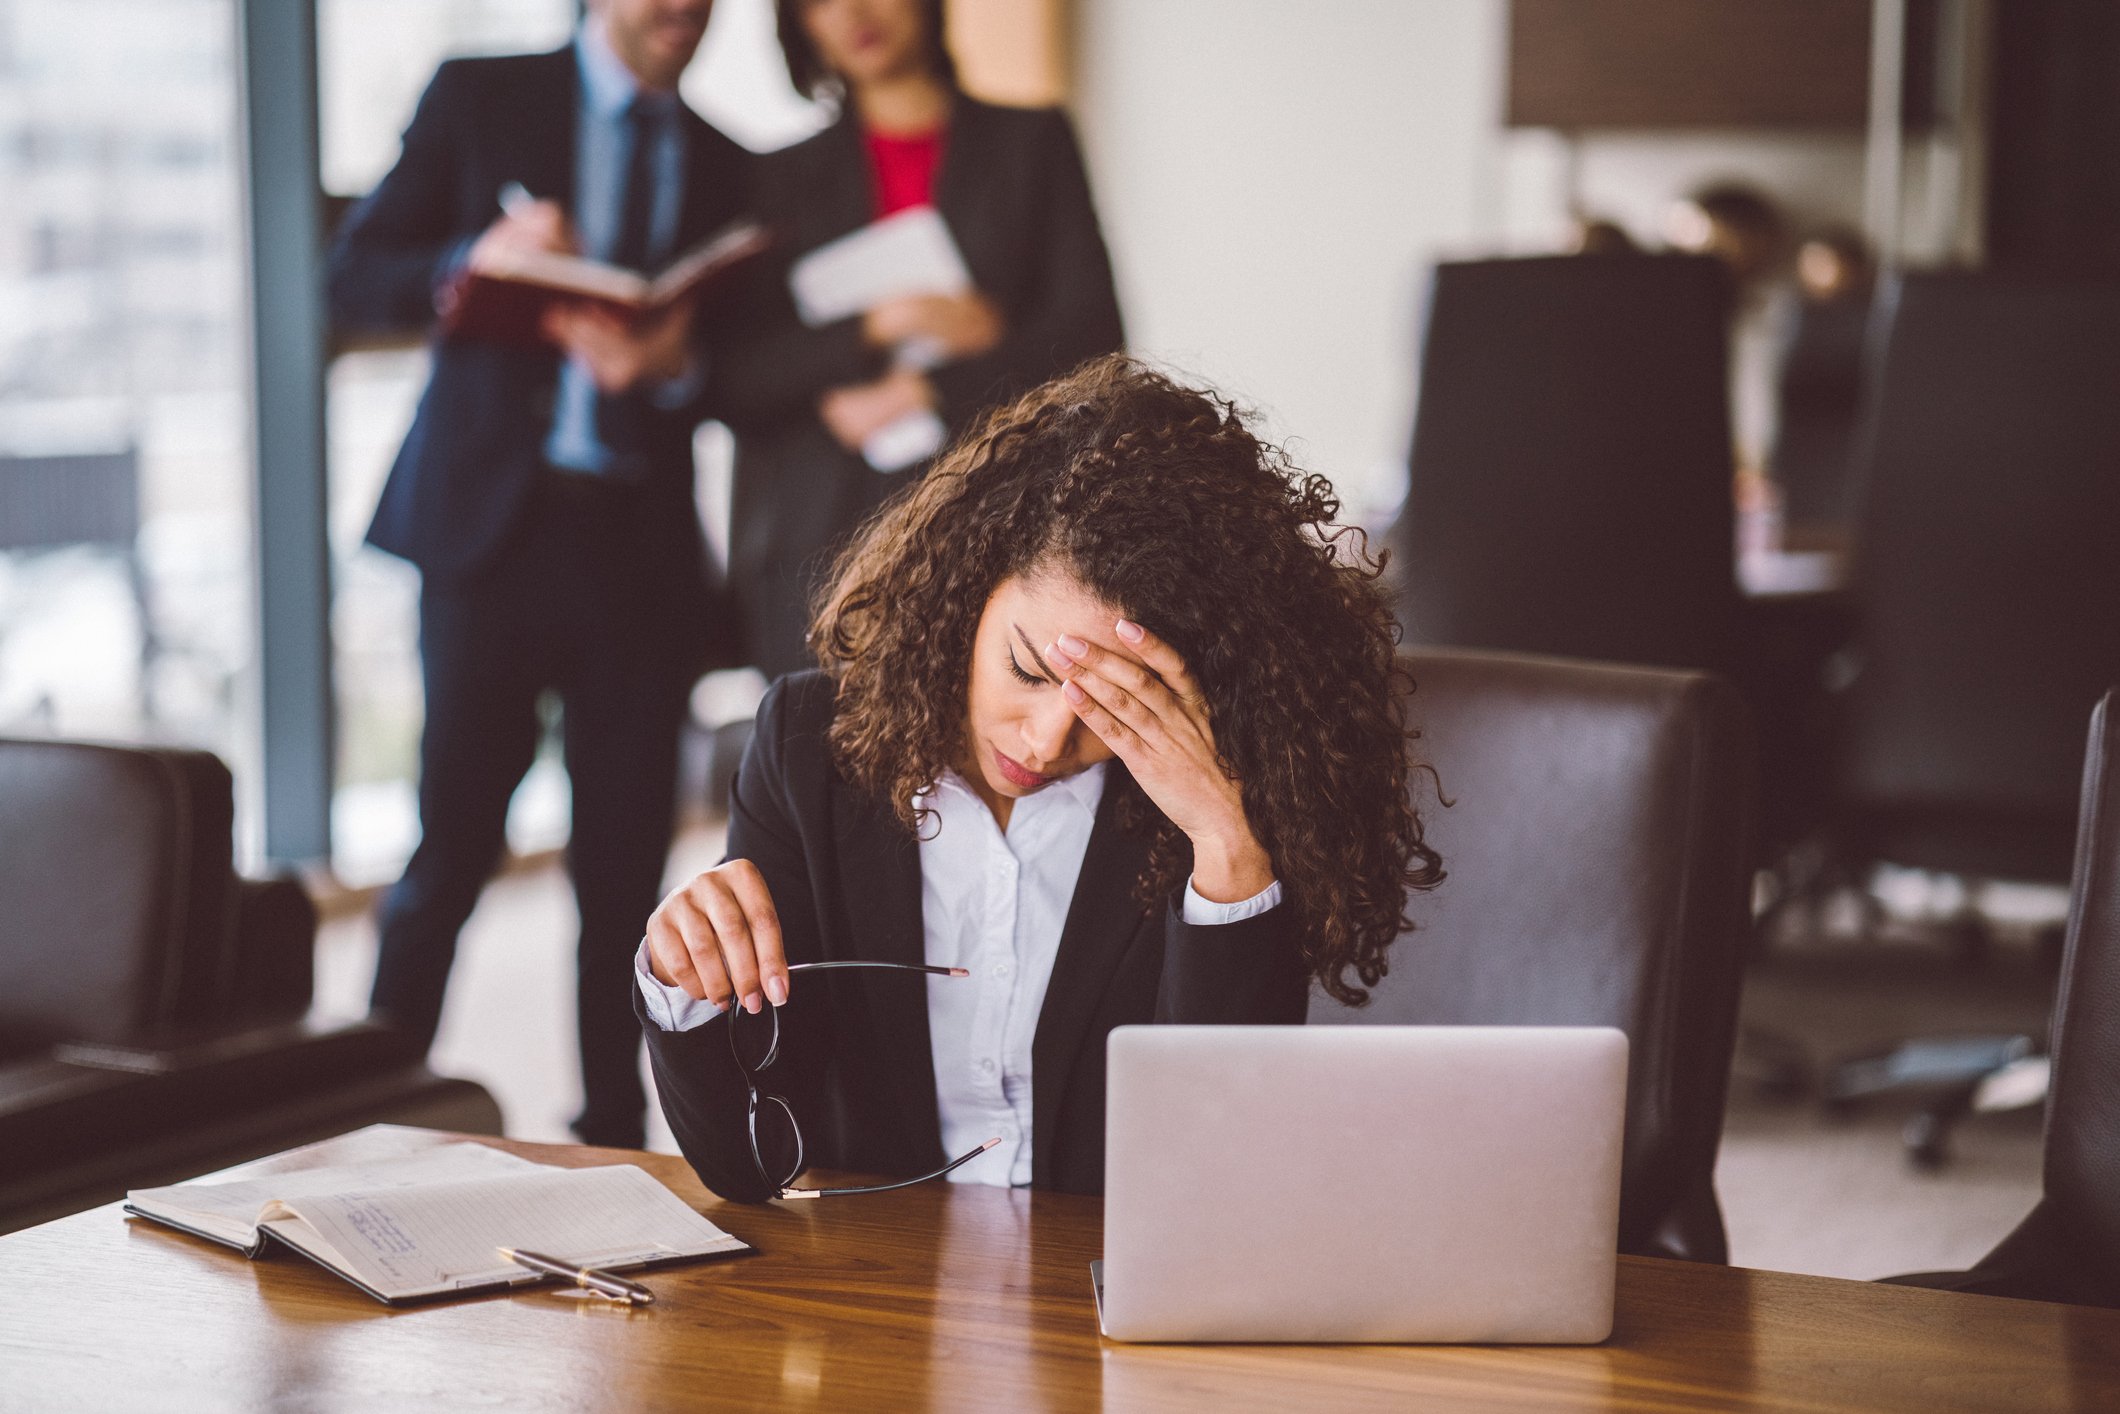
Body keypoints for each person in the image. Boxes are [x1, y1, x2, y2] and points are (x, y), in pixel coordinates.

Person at [635, 356, 1443, 1202]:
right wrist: (683, 980)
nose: (1050, 738)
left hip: (1103, 1297)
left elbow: (1218, 1178)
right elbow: (751, 1164)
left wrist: (1226, 844)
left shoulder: (1210, 797)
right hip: (877, 1289)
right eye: (1027, 668)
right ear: (966, 590)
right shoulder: (810, 748)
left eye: (1113, 702)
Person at [327, 0, 752, 1148]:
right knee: (451, 841)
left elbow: (742, 368)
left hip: (638, 553)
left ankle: (612, 1136)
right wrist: (475, 261)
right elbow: (353, 274)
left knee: (624, 868)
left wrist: (676, 362)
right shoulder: (480, 98)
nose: (682, 8)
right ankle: (368, 1103)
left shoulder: (723, 160)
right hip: (490, 541)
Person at [709, 0, 1125, 680]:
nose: (854, 12)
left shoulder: (1032, 142)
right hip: (822, 546)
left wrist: (926, 390)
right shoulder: (772, 177)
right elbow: (736, 378)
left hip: (1000, 523)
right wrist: (878, 326)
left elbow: (1095, 342)